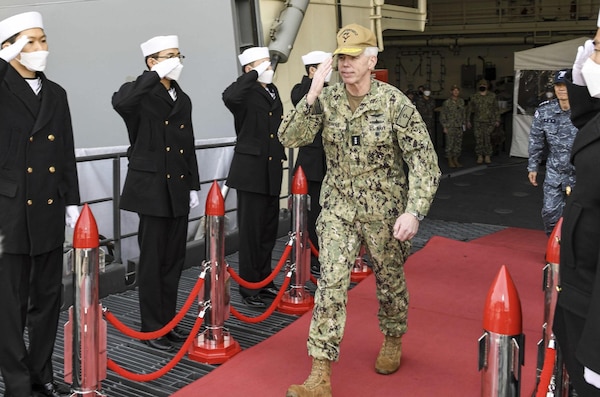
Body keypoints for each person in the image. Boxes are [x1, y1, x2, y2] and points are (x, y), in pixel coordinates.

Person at [278, 24, 440, 397]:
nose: (346, 64)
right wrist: (311, 95)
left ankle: (393, 335)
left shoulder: (395, 102)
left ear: (372, 59)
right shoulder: (328, 99)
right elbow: (290, 138)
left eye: (353, 57)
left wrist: (414, 211)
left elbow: (424, 162)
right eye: (341, 58)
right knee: (331, 284)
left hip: (385, 210)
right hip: (338, 208)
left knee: (390, 279)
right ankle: (320, 373)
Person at [0, 11, 80, 397]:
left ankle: (40, 374)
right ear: (10, 47)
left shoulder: (57, 93)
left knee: (48, 299)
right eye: (28, 42)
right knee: (9, 305)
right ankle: (16, 384)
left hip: (48, 207)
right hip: (9, 213)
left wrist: (73, 201)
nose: (39, 49)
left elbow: (65, 151)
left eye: (42, 40)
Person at [112, 35, 200, 352]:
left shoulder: (183, 98)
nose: (178, 61)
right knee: (152, 260)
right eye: (169, 56)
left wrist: (193, 185)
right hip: (151, 190)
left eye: (179, 55)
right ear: (152, 61)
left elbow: (187, 145)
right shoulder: (137, 93)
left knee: (173, 260)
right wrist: (153, 74)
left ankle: (167, 322)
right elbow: (121, 104)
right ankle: (152, 326)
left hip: (177, 187)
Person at [553, 24, 600, 396]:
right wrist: (582, 90)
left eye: (598, 48)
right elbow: (591, 129)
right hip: (579, 290)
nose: (591, 56)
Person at [222, 47, 286, 309]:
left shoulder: (272, 90)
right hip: (250, 170)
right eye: (263, 65)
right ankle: (249, 287)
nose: (269, 68)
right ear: (249, 69)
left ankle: (264, 279)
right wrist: (251, 75)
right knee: (251, 231)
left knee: (268, 229)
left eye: (269, 64)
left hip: (270, 168)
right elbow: (229, 96)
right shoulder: (244, 92)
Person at [290, 50, 331, 276]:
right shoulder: (301, 89)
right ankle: (312, 257)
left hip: (330, 165)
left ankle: (325, 253)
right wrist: (313, 82)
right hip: (312, 166)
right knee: (312, 214)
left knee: (326, 213)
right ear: (312, 70)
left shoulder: (332, 91)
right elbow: (300, 100)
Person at [527, 69, 577, 236]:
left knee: (579, 216)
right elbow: (536, 140)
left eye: (565, 85)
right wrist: (533, 167)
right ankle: (554, 248)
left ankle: (574, 252)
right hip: (555, 173)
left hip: (580, 174)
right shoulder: (545, 111)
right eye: (558, 85)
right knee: (549, 213)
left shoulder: (585, 111)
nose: (561, 89)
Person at [466, 79, 500, 164]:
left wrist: (497, 119)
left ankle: (487, 155)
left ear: (487, 86)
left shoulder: (492, 96)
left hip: (489, 121)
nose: (482, 86)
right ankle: (480, 155)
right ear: (478, 86)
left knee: (487, 138)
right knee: (479, 139)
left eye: (484, 84)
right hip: (478, 121)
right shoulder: (474, 96)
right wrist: (468, 120)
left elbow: (496, 108)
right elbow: (469, 109)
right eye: (481, 84)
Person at [440, 84, 466, 168]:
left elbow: (463, 113)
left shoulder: (461, 101)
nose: (456, 92)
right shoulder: (447, 103)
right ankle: (450, 159)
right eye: (454, 90)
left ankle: (456, 159)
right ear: (451, 92)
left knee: (458, 143)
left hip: (459, 125)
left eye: (457, 90)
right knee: (450, 143)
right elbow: (443, 115)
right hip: (450, 125)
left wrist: (464, 123)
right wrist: (444, 126)